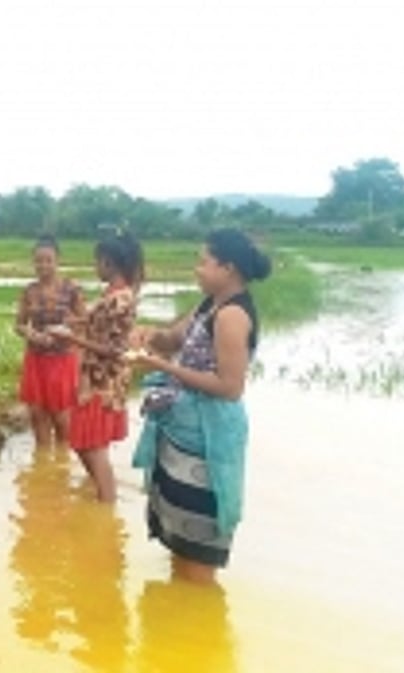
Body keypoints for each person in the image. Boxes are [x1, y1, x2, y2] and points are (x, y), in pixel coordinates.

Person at [129, 228, 271, 583]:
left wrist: (162, 367)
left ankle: (198, 627)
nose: (197, 269)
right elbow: (173, 338)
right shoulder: (210, 304)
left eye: (203, 262)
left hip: (208, 441)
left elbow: (229, 387)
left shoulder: (232, 316)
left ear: (228, 269)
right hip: (183, 436)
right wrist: (150, 336)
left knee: (198, 556)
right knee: (180, 540)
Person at [51, 230, 144, 503]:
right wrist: (78, 324)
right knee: (83, 442)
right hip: (95, 377)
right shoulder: (115, 294)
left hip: (102, 380)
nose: (95, 267)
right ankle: (102, 491)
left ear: (109, 262)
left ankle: (106, 502)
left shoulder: (119, 299)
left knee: (93, 445)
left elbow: (114, 350)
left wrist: (71, 337)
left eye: (97, 261)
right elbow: (102, 327)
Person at [13, 234, 85, 450]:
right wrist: (31, 334)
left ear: (57, 261)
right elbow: (19, 324)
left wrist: (66, 330)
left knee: (61, 416)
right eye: (38, 260)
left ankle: (62, 461)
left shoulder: (71, 289)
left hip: (62, 360)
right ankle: (43, 461)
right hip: (36, 359)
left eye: (48, 260)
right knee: (37, 414)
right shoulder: (29, 291)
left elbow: (85, 321)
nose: (43, 265)